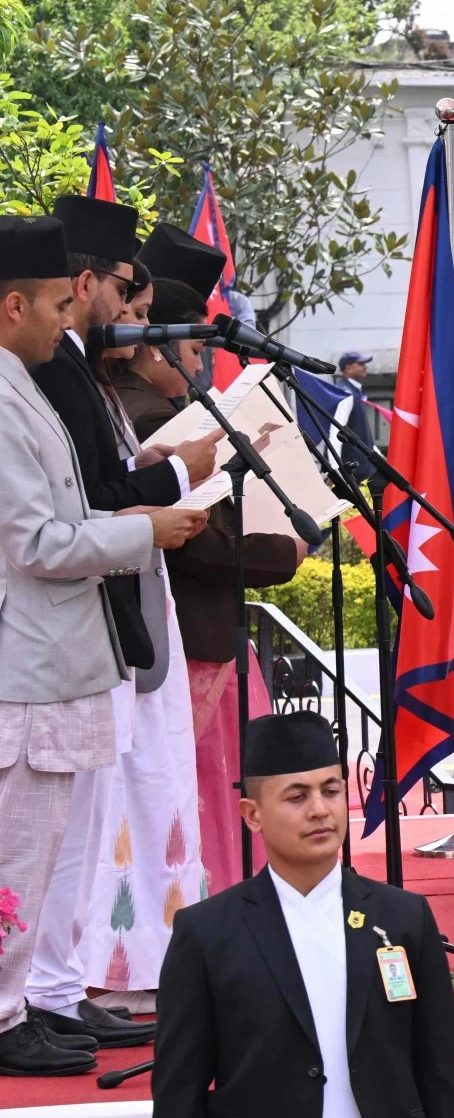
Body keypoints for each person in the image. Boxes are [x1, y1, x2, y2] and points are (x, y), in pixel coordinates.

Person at [0, 213, 203, 1077]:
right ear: (13, 305)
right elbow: (36, 542)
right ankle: (8, 1010)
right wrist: (144, 529)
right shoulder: (7, 393)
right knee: (18, 847)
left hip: (56, 659)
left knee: (46, 846)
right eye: (52, 303)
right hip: (30, 663)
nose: (65, 316)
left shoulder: (22, 382)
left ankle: (28, 999)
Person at [151, 711, 454, 1118]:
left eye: (330, 790)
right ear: (252, 815)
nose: (320, 810)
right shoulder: (208, 934)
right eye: (297, 796)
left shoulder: (402, 918)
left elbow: (441, 1086)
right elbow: (177, 1112)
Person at [114, 230, 303, 894]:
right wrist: (286, 548)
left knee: (221, 788)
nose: (202, 365)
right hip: (183, 633)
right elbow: (194, 540)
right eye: (195, 347)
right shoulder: (147, 418)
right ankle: (218, 917)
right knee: (201, 794)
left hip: (203, 631)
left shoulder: (165, 408)